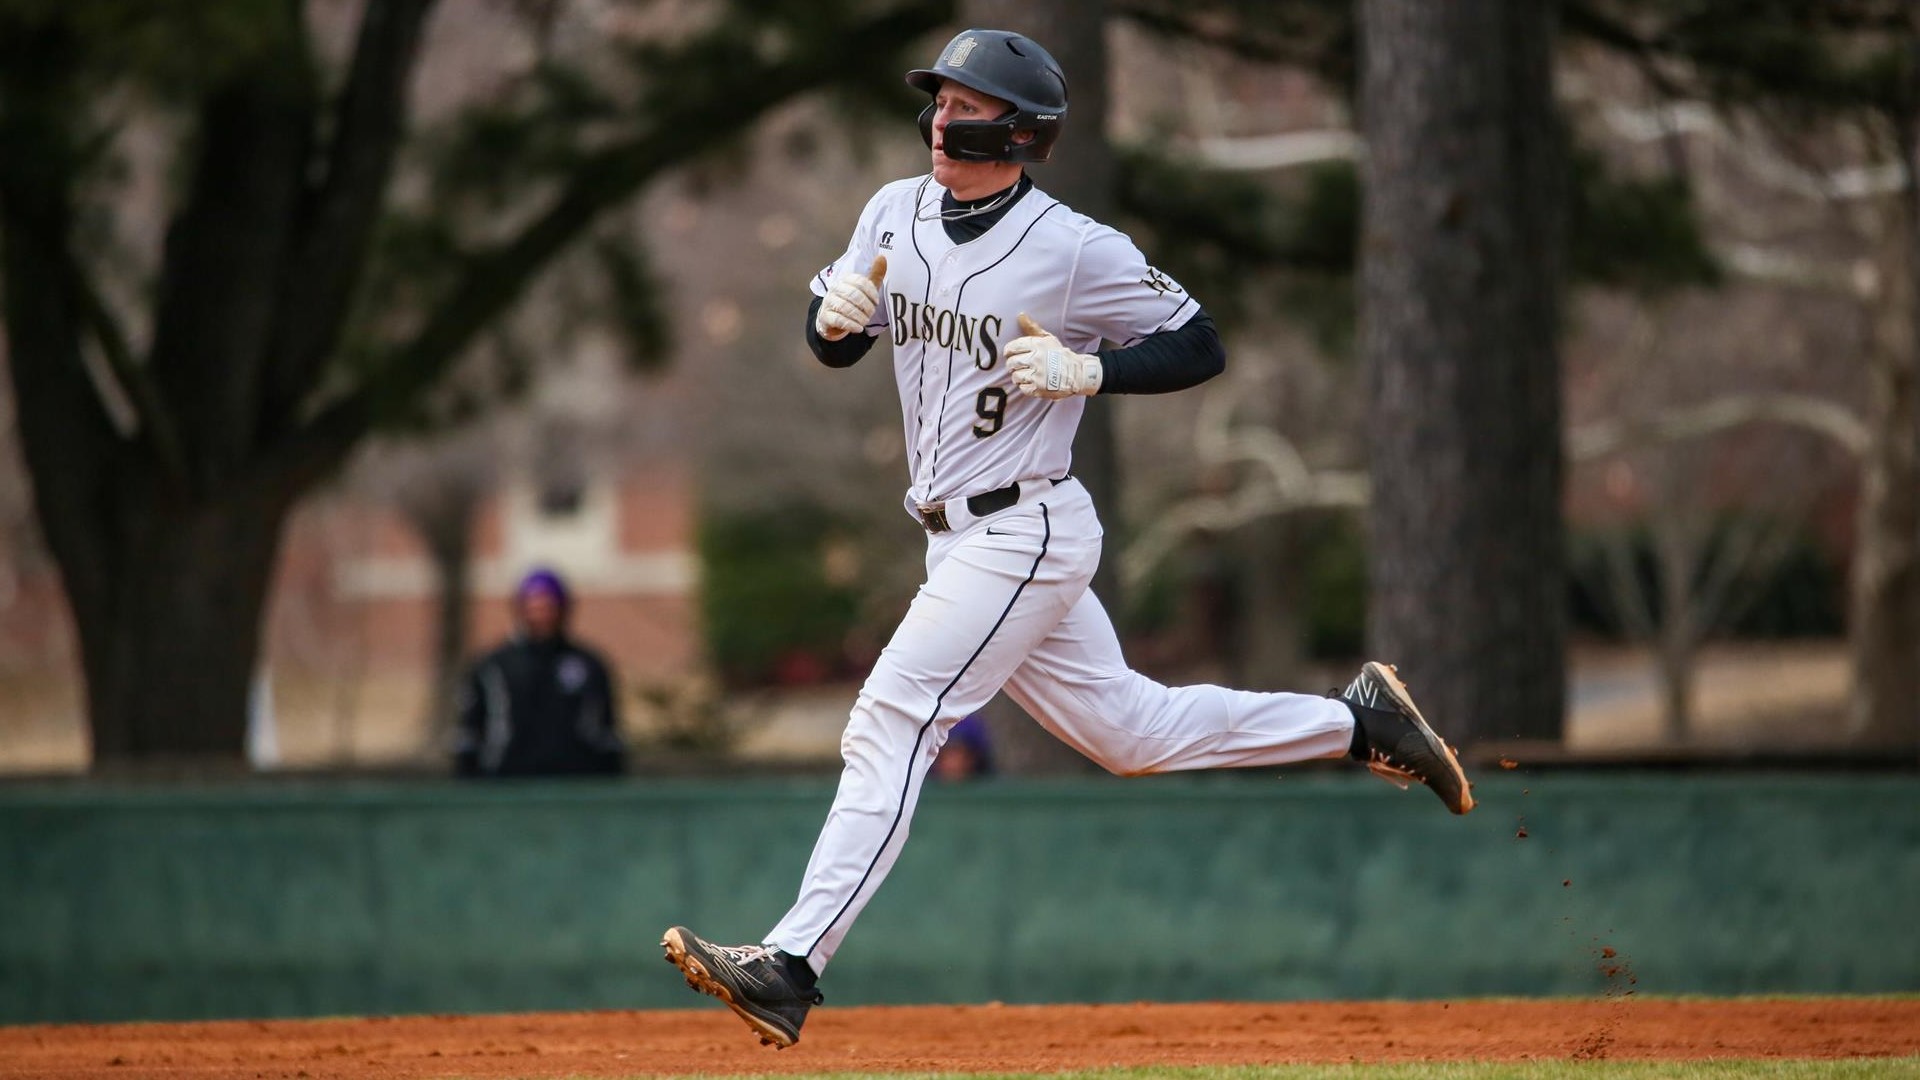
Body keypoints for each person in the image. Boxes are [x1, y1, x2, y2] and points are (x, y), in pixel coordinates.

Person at [661, 28, 1474, 1049]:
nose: (945, 120)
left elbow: (1199, 342)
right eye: (942, 100)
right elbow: (833, 340)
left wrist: (1097, 373)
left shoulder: (1073, 247)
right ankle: (1360, 725)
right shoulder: (892, 209)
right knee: (1132, 733)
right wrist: (830, 322)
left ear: (1023, 131)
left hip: (1026, 525)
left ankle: (791, 964)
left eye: (968, 105)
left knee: (896, 716)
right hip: (951, 536)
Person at [453, 567, 626, 778]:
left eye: (548, 607)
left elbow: (605, 731)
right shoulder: (494, 666)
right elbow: (471, 733)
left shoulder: (588, 664)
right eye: (534, 607)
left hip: (574, 785)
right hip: (507, 782)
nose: (541, 615)